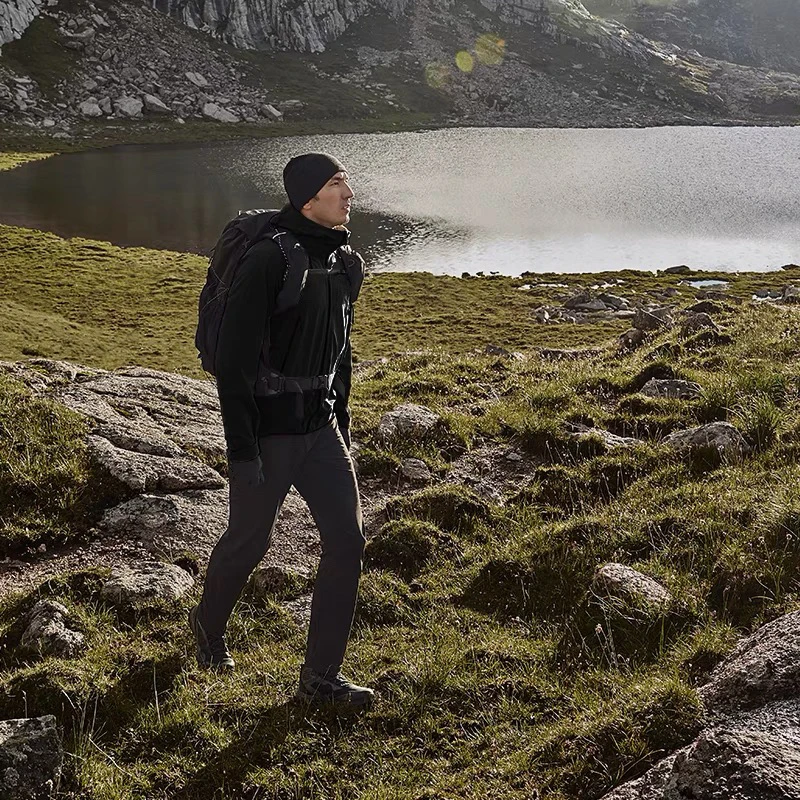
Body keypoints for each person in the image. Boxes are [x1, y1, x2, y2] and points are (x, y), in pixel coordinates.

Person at [189, 153, 373, 707]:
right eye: (336, 183)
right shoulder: (269, 259)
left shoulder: (346, 258)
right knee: (249, 542)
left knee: (347, 540)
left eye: (347, 181)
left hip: (321, 431)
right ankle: (207, 629)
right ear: (307, 198)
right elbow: (236, 364)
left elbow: (339, 349)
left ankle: (321, 677)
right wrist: (241, 449)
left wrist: (340, 423)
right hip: (269, 432)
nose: (349, 191)